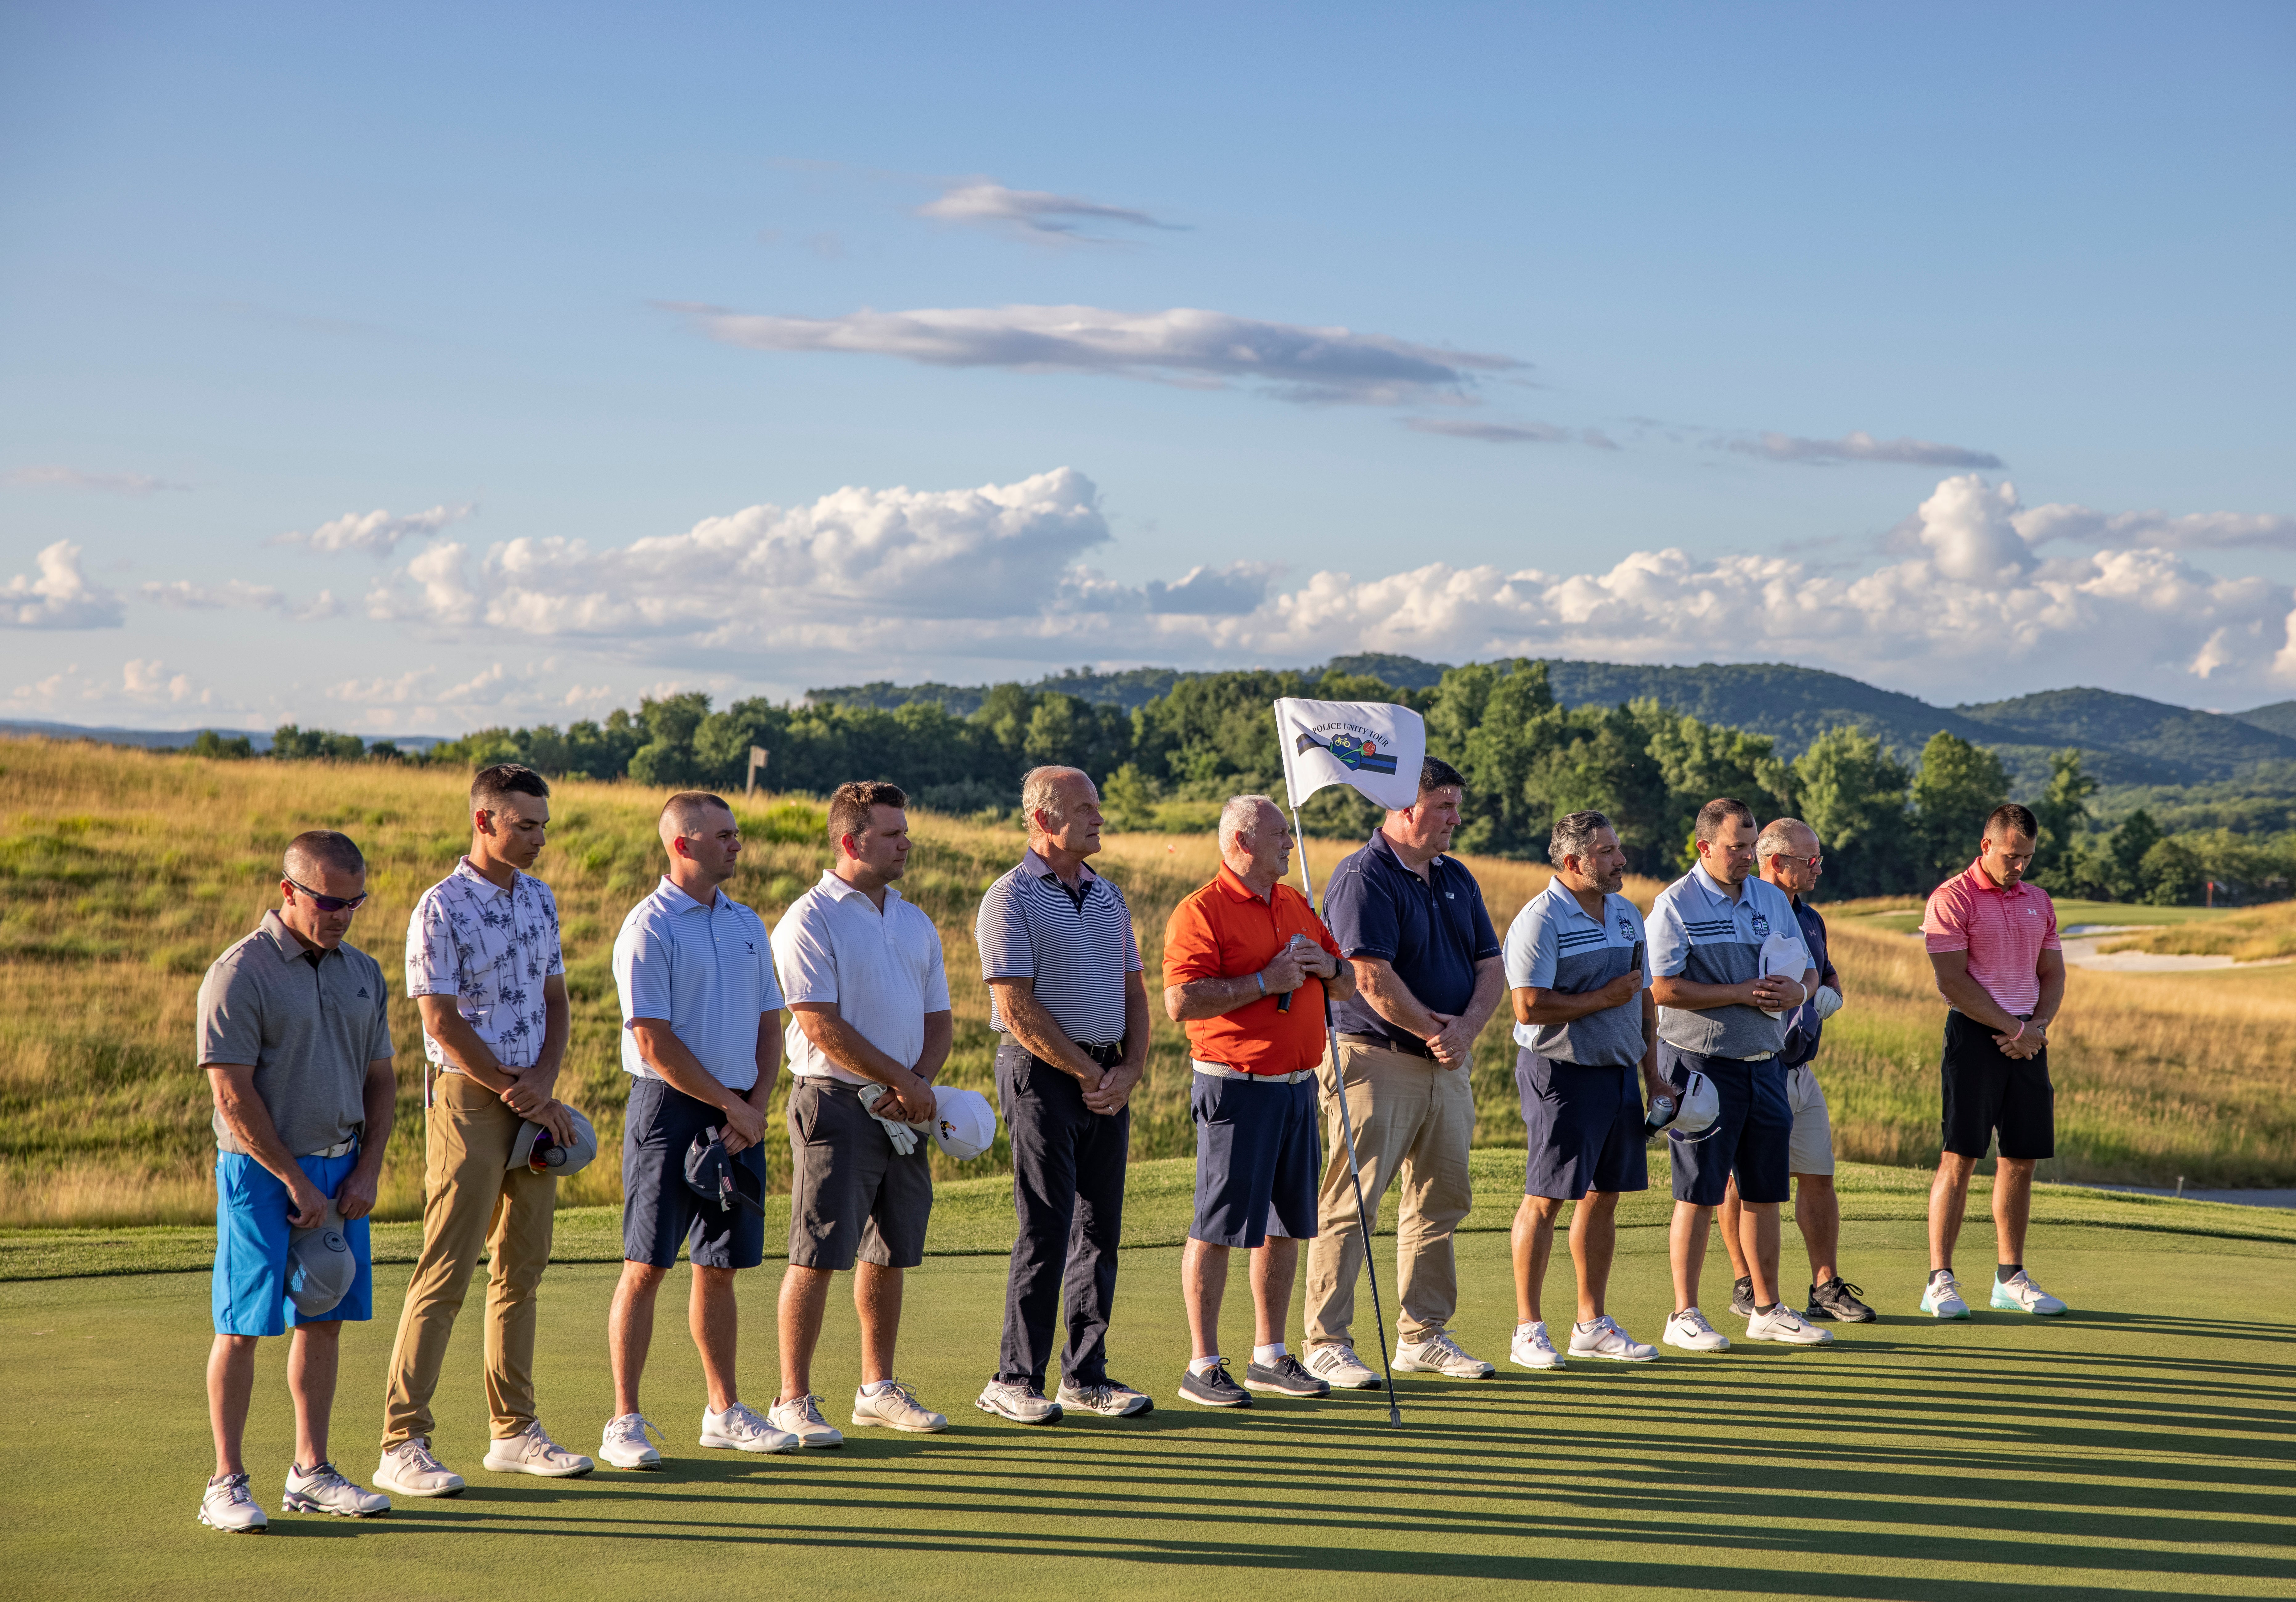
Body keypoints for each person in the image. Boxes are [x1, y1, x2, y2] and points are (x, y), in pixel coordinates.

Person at [376, 763, 593, 1499]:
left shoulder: (540, 898)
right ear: (484, 822)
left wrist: (543, 1085)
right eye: (524, 825)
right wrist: (516, 1089)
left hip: (532, 1100)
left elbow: (556, 1001)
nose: (537, 839)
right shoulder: (438, 907)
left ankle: (514, 1432)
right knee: (445, 1269)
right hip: (470, 1102)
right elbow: (437, 1021)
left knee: (521, 1270)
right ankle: (401, 1441)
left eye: (542, 825)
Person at [196, 830, 397, 1531]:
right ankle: (225, 1482)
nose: (341, 914)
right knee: (243, 1326)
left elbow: (382, 1081)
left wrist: (366, 1169)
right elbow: (232, 1095)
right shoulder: (240, 971)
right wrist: (293, 1180)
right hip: (258, 1173)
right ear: (289, 891)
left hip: (341, 1169)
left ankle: (310, 1472)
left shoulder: (363, 971)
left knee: (326, 1318)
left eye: (354, 902)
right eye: (327, 901)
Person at [600, 792, 796, 1469]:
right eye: (723, 835)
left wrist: (755, 1105)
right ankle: (623, 1421)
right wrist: (732, 1107)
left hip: (740, 1111)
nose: (737, 845)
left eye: (736, 834)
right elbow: (653, 1041)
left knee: (719, 1268)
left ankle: (724, 1411)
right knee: (646, 1265)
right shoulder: (648, 927)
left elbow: (772, 1023)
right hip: (670, 1110)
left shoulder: (746, 922)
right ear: (683, 845)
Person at [1302, 757, 1505, 1389]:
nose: (1455, 818)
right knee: (1351, 1204)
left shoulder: (1456, 876)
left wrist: (1463, 1032)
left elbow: (1490, 968)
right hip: (1373, 1059)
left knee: (1438, 1203)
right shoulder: (1363, 877)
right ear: (1403, 809)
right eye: (1443, 806)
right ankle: (1326, 1343)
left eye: (1455, 805)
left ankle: (1421, 1336)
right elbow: (1369, 978)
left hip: (1445, 1065)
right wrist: (1436, 1031)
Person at [770, 781, 953, 1445]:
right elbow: (818, 1023)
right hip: (834, 1102)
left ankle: (876, 1388)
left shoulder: (912, 918)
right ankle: (791, 1398)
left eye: (906, 831)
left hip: (904, 1103)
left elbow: (939, 1018)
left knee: (889, 1251)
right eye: (892, 834)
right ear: (852, 842)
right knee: (817, 1252)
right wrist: (900, 1081)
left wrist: (918, 1084)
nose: (906, 842)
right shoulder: (809, 917)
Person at [1163, 795, 1358, 1407]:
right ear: (1241, 843)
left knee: (1285, 1225)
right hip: (1234, 1087)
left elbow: (1347, 982)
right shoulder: (1202, 911)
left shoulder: (1295, 903)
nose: (1289, 845)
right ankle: (1202, 1365)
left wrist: (1323, 963)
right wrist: (1261, 983)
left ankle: (1268, 1356)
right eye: (1278, 836)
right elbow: (1182, 1001)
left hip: (1297, 1086)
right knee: (1218, 1227)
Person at [975, 767, 1155, 1425]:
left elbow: (1135, 990)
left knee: (1098, 1230)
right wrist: (1086, 1072)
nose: (1097, 818)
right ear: (1042, 819)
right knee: (1047, 1226)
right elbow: (1015, 1005)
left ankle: (1084, 1376)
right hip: (1042, 1075)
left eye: (1096, 808)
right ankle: (1012, 1377)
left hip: (1106, 1075)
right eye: (1083, 809)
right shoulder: (1010, 896)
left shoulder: (1107, 896)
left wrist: (1130, 1069)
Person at [1646, 798, 1829, 1351]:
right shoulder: (1674, 904)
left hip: (1765, 1063)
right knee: (1699, 1192)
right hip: (1698, 1064)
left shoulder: (1771, 900)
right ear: (1704, 847)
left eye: (1752, 846)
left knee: (1762, 1192)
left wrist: (1797, 991)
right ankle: (1684, 1313)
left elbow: (1806, 969)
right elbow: (1661, 987)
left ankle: (1767, 1309)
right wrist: (1739, 994)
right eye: (1736, 847)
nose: (1748, 856)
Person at [1501, 810, 1668, 1372]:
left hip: (1619, 1072)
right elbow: (1528, 1006)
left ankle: (1591, 1325)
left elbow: (1641, 996)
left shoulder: (1626, 913)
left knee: (1604, 1196)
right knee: (1546, 1200)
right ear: (1572, 862)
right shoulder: (1538, 920)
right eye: (1606, 852)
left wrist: (1652, 1073)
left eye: (1617, 849)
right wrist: (1600, 998)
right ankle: (1527, 1329)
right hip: (1560, 1073)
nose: (1620, 860)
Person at [1717, 819, 1876, 1325]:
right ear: (1776, 863)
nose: (1818, 868)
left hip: (1802, 1071)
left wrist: (1829, 991)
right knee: (1740, 1184)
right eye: (1810, 861)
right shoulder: (1746, 913)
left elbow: (1822, 969)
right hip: (1753, 1067)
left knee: (1818, 1177)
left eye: (1818, 858)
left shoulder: (1810, 918)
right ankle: (1746, 1284)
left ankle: (1825, 1287)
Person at [1919, 803, 2070, 1320]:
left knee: (2021, 1159)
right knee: (1959, 1156)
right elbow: (1952, 981)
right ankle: (1939, 1279)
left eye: (2027, 857)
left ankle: (2010, 1278)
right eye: (2011, 856)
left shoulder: (2038, 900)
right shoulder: (1952, 898)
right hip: (1975, 1037)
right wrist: (2013, 1028)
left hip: (2027, 1039)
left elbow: (2052, 974)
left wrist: (2036, 1029)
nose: (2020, 866)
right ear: (1986, 847)